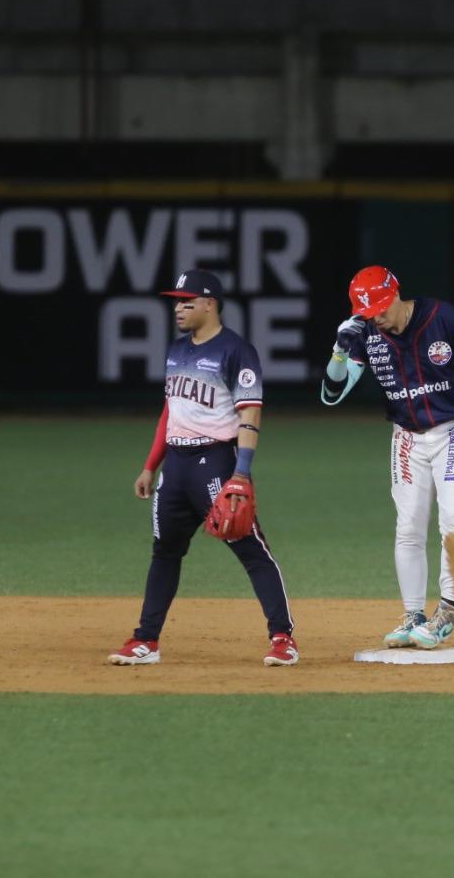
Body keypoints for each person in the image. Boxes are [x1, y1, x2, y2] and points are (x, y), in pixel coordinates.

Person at [108, 268, 298, 667]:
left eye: (187, 301)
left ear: (210, 304)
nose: (178, 308)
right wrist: (150, 465)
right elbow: (170, 411)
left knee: (250, 549)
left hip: (216, 461)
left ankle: (282, 638)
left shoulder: (236, 351)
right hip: (175, 468)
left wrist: (241, 472)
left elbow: (250, 414)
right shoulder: (177, 350)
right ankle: (146, 640)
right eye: (177, 301)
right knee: (165, 552)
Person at [321, 265, 454, 650]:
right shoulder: (366, 334)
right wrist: (338, 351)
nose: (378, 316)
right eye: (369, 311)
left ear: (396, 293)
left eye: (382, 306)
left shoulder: (441, 317)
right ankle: (413, 615)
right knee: (408, 528)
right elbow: (332, 393)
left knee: (453, 522)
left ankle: (446, 613)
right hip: (406, 437)